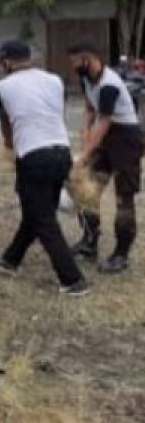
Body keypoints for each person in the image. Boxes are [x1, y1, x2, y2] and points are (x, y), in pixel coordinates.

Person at [0, 41, 88, 294]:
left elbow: (7, 125)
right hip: (61, 150)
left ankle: (72, 279)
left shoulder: (1, 86)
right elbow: (57, 114)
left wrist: (11, 148)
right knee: (39, 209)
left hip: (33, 155)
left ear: (6, 61)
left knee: (43, 217)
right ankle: (11, 259)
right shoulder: (55, 80)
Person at [68, 41, 144, 273]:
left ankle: (121, 254)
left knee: (124, 196)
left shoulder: (109, 84)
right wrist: (84, 132)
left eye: (75, 62)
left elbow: (104, 121)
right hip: (106, 132)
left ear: (88, 59)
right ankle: (89, 241)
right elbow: (91, 108)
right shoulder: (86, 78)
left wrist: (85, 153)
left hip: (125, 138)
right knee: (86, 188)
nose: (73, 67)